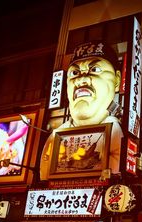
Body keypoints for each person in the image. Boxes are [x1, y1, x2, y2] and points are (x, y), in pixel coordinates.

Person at [41, 41, 124, 175]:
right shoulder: (56, 136)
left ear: (117, 80)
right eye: (74, 73)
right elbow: (45, 175)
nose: (81, 80)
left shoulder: (115, 132)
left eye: (95, 70)